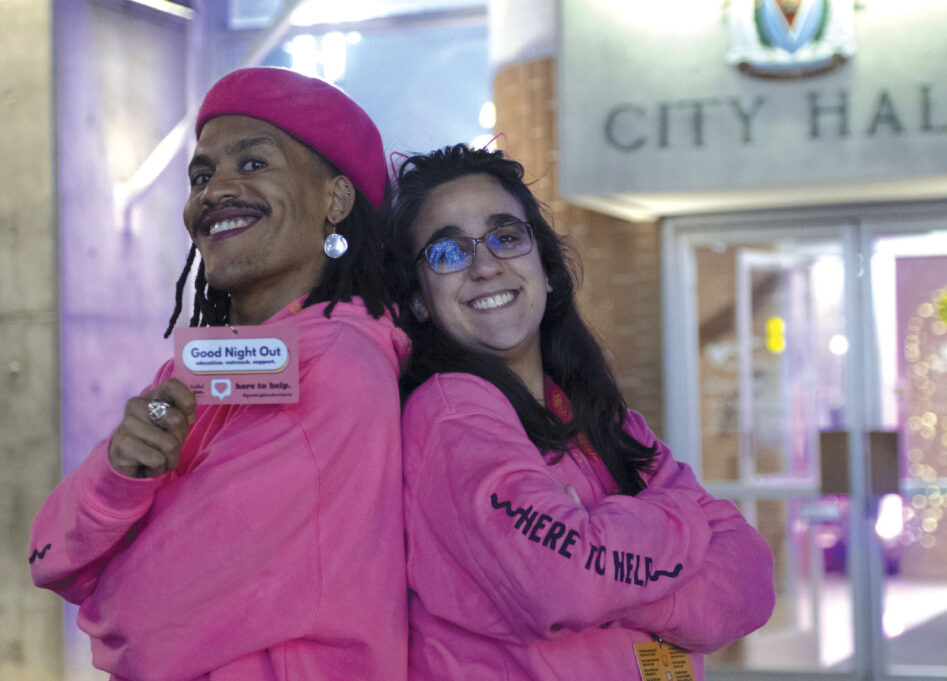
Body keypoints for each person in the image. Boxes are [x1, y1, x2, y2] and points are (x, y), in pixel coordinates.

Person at [28, 67, 408, 680]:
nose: (215, 191)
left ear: (335, 201)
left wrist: (120, 555)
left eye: (254, 164)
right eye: (201, 175)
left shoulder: (338, 367)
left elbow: (142, 620)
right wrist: (122, 478)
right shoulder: (201, 366)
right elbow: (50, 559)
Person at [389, 143, 775, 681]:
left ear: (546, 270)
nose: (484, 266)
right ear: (418, 300)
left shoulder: (599, 418)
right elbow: (561, 582)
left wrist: (613, 578)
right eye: (447, 252)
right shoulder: (452, 414)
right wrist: (687, 520)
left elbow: (752, 579)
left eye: (506, 237)